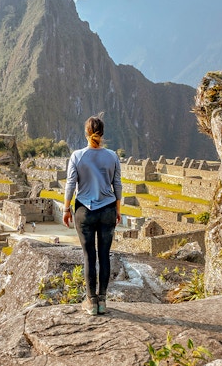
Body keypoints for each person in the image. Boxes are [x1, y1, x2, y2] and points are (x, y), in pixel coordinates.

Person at [63, 114, 122, 316]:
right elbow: (117, 185)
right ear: (102, 133)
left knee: (90, 256)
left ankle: (91, 301)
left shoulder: (77, 156)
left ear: (86, 133)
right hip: (108, 210)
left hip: (84, 212)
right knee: (104, 255)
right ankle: (103, 301)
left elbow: (71, 184)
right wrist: (118, 210)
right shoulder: (112, 156)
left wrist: (65, 209)